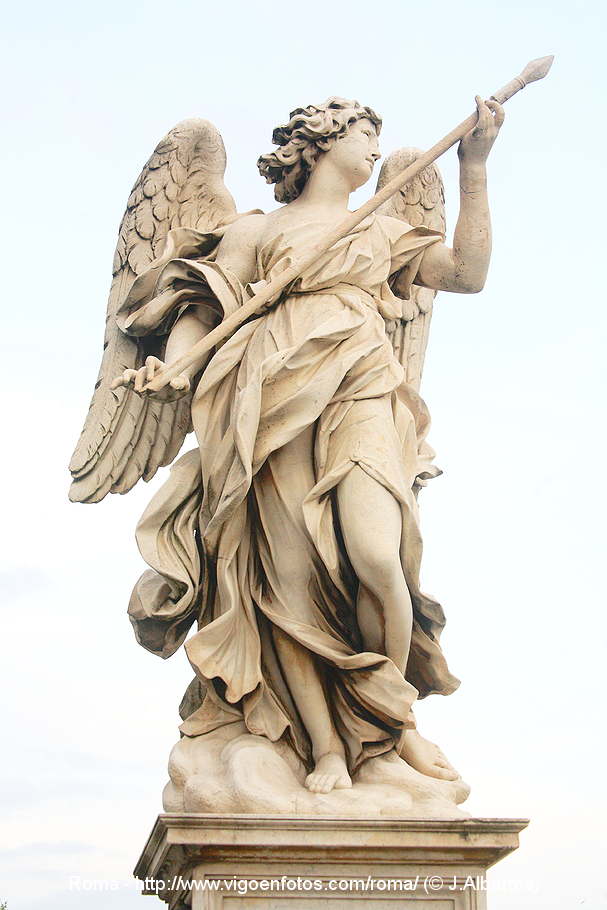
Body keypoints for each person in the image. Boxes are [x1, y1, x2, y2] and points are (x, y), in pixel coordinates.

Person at [113, 95, 504, 794]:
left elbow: (467, 274)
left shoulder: (383, 225)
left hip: (362, 386)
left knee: (376, 556)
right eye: (363, 133)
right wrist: (170, 368)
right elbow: (203, 307)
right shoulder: (257, 230)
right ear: (319, 142)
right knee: (285, 581)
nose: (375, 149)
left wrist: (473, 168)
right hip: (269, 397)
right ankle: (326, 747)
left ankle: (386, 724)